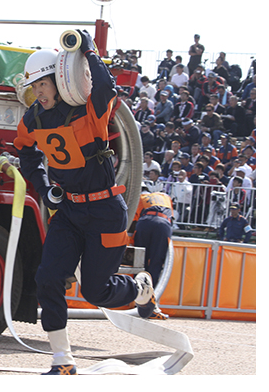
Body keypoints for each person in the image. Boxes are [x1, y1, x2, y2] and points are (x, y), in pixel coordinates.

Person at [13, 31, 156, 375]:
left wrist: (88, 50)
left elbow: (107, 89)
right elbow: (26, 154)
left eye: (42, 85)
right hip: (69, 211)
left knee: (96, 290)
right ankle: (62, 361)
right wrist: (44, 187)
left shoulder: (91, 112)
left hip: (106, 212)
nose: (37, 93)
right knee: (47, 278)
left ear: (60, 80)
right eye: (33, 87)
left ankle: (139, 289)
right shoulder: (33, 118)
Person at [132, 185, 174, 319]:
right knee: (156, 263)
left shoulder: (141, 197)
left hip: (144, 222)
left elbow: (133, 218)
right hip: (162, 223)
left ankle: (137, 298)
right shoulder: (166, 197)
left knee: (139, 262)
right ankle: (150, 303)